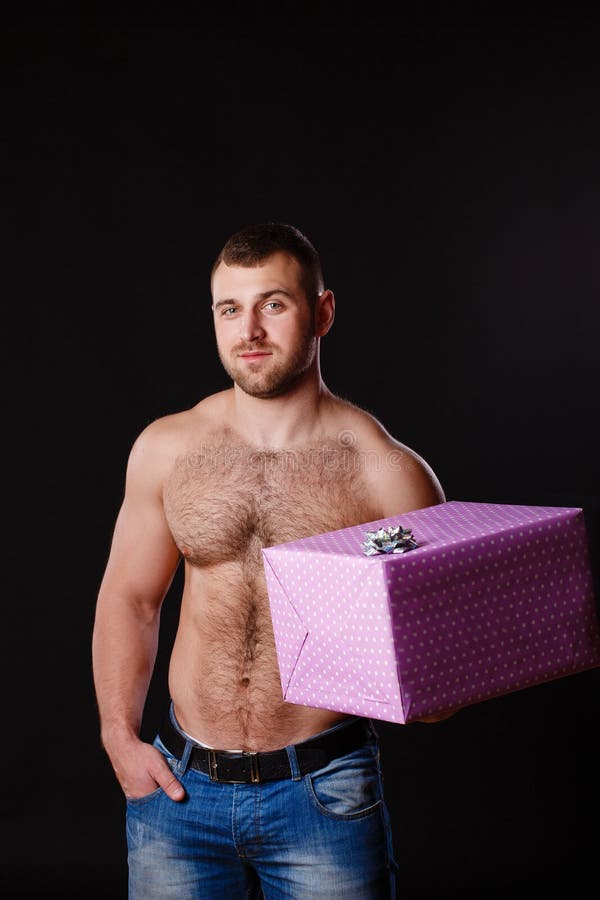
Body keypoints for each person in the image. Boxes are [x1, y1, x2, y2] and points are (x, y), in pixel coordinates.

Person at [92, 221, 447, 899]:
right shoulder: (169, 449)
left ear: (323, 312)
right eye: (231, 309)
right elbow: (130, 600)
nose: (249, 329)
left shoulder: (387, 473)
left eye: (273, 304)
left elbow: (436, 665)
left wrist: (432, 691)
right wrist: (119, 737)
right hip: (178, 797)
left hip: (324, 796)